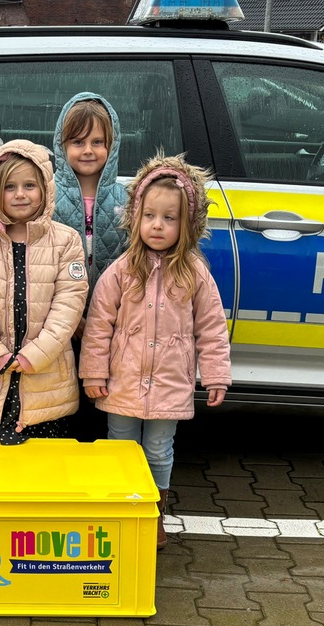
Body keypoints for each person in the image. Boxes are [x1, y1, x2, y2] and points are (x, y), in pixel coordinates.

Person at [78, 152, 232, 550]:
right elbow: (98, 326)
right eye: (150, 216)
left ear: (188, 224)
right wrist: (93, 373)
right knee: (120, 448)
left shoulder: (195, 274)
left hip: (169, 385)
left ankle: (153, 515)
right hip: (122, 382)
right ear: (136, 217)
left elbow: (212, 329)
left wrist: (215, 375)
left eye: (169, 218)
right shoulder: (121, 271)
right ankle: (117, 512)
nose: (158, 226)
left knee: (159, 451)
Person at [0, 140, 88, 445]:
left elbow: (69, 306)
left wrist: (35, 355)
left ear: (45, 189)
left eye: (29, 185)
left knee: (41, 469)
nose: (20, 194)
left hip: (46, 377)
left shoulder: (66, 241)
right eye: (10, 186)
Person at [52, 92, 128, 442]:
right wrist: (69, 319)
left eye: (98, 142)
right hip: (59, 324)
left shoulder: (126, 199)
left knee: (99, 398)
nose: (88, 150)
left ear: (112, 146)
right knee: (63, 400)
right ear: (61, 144)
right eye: (78, 141)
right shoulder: (48, 196)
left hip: (108, 324)